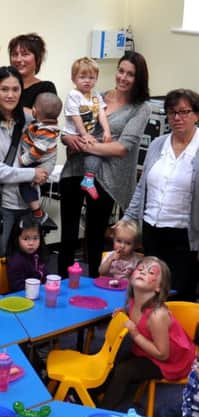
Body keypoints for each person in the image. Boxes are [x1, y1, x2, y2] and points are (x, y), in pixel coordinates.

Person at [59, 51, 151, 278]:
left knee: (95, 235)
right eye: (121, 71)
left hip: (107, 178)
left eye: (130, 74)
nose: (123, 77)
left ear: (139, 78)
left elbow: (122, 147)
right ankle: (60, 284)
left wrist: (86, 145)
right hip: (75, 169)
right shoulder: (95, 96)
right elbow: (70, 126)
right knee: (69, 235)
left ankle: (93, 287)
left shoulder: (141, 108)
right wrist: (67, 138)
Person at [123, 88, 199, 302]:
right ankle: (148, 334)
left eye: (184, 112)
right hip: (152, 230)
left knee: (178, 296)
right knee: (150, 292)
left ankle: (175, 336)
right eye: (172, 112)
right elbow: (142, 187)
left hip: (185, 237)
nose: (177, 117)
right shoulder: (158, 145)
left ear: (196, 115)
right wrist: (127, 220)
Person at [101, 257, 196, 410]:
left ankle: (103, 411)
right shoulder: (133, 301)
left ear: (158, 287)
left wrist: (135, 333)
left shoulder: (157, 316)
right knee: (111, 361)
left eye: (150, 272)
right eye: (140, 269)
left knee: (124, 371)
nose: (143, 272)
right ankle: (86, 394)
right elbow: (136, 316)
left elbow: (163, 354)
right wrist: (124, 312)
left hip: (171, 361)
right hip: (147, 349)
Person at [0, 66, 49, 257]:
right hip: (1, 204)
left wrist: (45, 170)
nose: (10, 95)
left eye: (15, 89)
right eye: (4, 89)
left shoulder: (29, 119)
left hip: (29, 201)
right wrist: (32, 174)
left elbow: (48, 143)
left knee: (29, 258)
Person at [63, 57, 112, 200]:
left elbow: (101, 113)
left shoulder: (96, 95)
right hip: (74, 135)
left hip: (88, 135)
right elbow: (75, 117)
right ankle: (86, 180)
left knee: (97, 153)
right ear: (74, 78)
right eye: (82, 77)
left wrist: (107, 131)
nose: (87, 81)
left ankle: (88, 180)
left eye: (92, 77)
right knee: (93, 152)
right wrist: (84, 134)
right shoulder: (74, 95)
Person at [17, 92, 62, 225]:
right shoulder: (41, 124)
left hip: (41, 161)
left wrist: (23, 160)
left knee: (26, 184)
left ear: (34, 111)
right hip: (40, 161)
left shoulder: (47, 130)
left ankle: (38, 211)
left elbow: (38, 150)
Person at [7, 33, 57, 113]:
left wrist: (4, 105)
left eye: (25, 54)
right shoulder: (2, 85)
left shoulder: (46, 88)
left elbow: (46, 119)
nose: (18, 59)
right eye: (14, 54)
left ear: (37, 58)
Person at [6, 214, 48, 292]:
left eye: (35, 238)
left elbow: (44, 274)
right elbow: (17, 287)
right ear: (17, 239)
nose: (31, 243)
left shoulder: (38, 254)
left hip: (38, 292)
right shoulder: (16, 261)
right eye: (26, 239)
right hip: (22, 297)